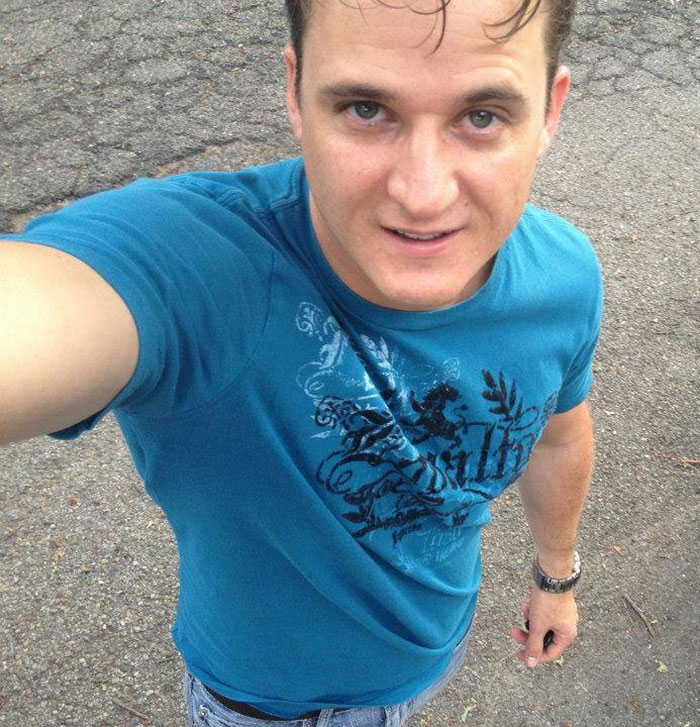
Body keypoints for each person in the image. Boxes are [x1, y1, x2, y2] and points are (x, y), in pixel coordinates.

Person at [0, 0, 602, 724]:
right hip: (270, 707)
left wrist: (556, 576)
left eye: (481, 116)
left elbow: (557, 435)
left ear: (550, 111)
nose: (422, 195)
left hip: (433, 654)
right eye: (365, 109)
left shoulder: (564, 278)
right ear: (294, 92)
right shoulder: (212, 271)